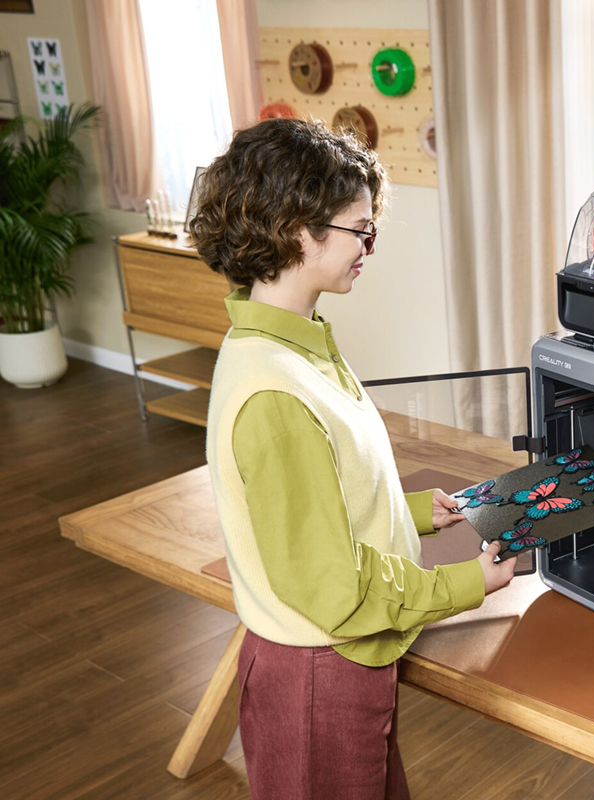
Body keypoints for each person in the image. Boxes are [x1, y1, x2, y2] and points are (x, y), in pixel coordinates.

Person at [189, 117, 516, 799]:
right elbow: (334, 588)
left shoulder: (298, 344)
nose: (370, 244)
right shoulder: (274, 389)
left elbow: (330, 509)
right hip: (320, 671)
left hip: (344, 662)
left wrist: (420, 513)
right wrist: (467, 584)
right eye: (358, 228)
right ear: (295, 228)